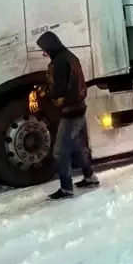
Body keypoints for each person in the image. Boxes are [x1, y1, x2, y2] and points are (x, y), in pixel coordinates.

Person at [34, 31, 98, 200]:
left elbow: (57, 91)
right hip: (79, 107)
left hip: (70, 111)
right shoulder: (69, 56)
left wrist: (40, 92)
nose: (44, 53)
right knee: (79, 146)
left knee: (60, 152)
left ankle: (66, 189)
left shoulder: (59, 62)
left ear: (50, 46)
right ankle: (90, 177)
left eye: (44, 49)